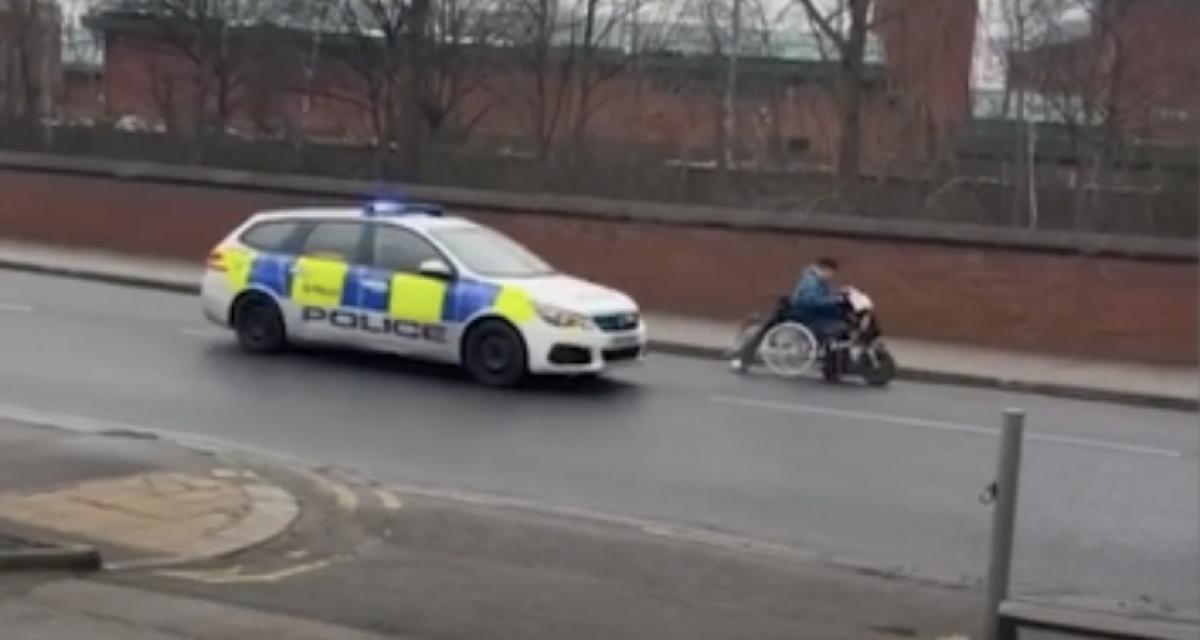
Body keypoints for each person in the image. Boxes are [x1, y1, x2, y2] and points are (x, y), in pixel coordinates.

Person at [730, 257, 849, 372]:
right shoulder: (811, 281)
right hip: (801, 314)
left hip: (799, 312)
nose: (831, 276)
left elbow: (820, 297)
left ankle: (835, 364)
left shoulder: (818, 281)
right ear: (823, 269)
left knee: (762, 331)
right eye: (830, 272)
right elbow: (808, 300)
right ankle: (742, 358)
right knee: (762, 331)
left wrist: (836, 297)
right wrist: (832, 301)